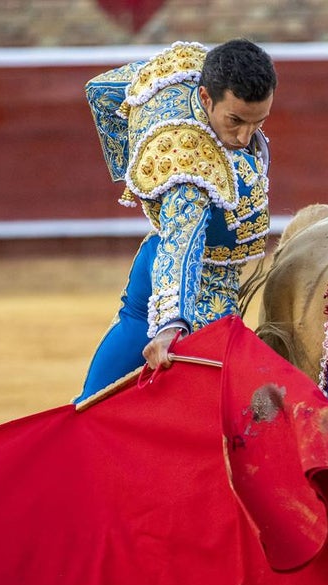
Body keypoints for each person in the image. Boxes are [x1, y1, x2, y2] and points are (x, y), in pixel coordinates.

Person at [76, 39, 277, 404]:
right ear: (205, 97)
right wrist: (172, 324)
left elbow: (104, 91)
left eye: (258, 121)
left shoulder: (183, 73)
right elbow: (181, 244)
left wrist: (138, 175)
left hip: (149, 271)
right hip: (198, 293)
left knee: (93, 403)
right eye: (234, 120)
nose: (245, 136)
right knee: (223, 419)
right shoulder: (190, 166)